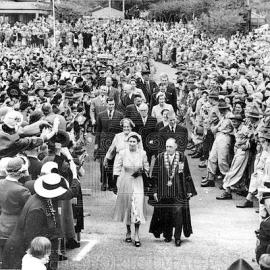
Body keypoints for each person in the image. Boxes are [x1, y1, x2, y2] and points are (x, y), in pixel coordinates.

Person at [149, 138, 197, 246]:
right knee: (166, 212)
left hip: (178, 190)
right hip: (164, 190)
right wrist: (155, 191)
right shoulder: (160, 157)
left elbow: (187, 174)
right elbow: (155, 176)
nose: (168, 149)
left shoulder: (182, 157)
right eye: (166, 146)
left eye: (170, 147)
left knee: (178, 212)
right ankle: (167, 234)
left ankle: (177, 237)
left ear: (176, 147)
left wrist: (189, 190)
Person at [113, 133, 149, 247]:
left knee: (137, 206)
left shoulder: (142, 153)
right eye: (130, 141)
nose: (132, 144)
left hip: (137, 181)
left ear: (137, 143)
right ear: (127, 142)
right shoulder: (123, 153)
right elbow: (117, 167)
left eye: (134, 142)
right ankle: (128, 231)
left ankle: (137, 234)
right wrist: (116, 182)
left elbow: (147, 168)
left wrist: (142, 171)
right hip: (126, 181)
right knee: (128, 206)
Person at [103, 118, 142, 191]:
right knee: (120, 184)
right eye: (124, 127)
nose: (126, 128)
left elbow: (141, 151)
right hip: (119, 163)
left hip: (132, 163)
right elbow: (112, 149)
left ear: (131, 127)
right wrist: (106, 159)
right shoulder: (118, 136)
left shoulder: (137, 136)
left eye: (128, 127)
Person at [95, 97, 123, 190]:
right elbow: (98, 130)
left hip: (114, 142)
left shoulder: (120, 115)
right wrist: (96, 144)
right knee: (103, 162)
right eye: (109, 104)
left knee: (112, 162)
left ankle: (111, 183)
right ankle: (104, 183)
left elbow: (121, 130)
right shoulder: (100, 115)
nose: (111, 106)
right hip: (103, 142)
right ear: (106, 104)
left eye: (113, 104)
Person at [0, 156, 31, 238]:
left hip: (2, 223)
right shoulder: (22, 190)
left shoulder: (0, 183)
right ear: (23, 170)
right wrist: (27, 176)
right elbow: (30, 209)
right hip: (16, 227)